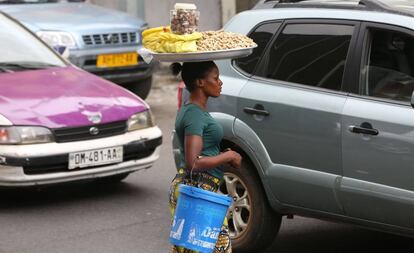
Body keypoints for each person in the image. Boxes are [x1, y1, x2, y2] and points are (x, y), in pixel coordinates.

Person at [169, 61, 242, 253]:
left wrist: (221, 154)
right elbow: (194, 163)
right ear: (201, 82)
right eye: (215, 78)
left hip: (193, 188)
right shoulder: (195, 115)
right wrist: (228, 156)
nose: (220, 83)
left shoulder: (191, 110)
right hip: (200, 191)